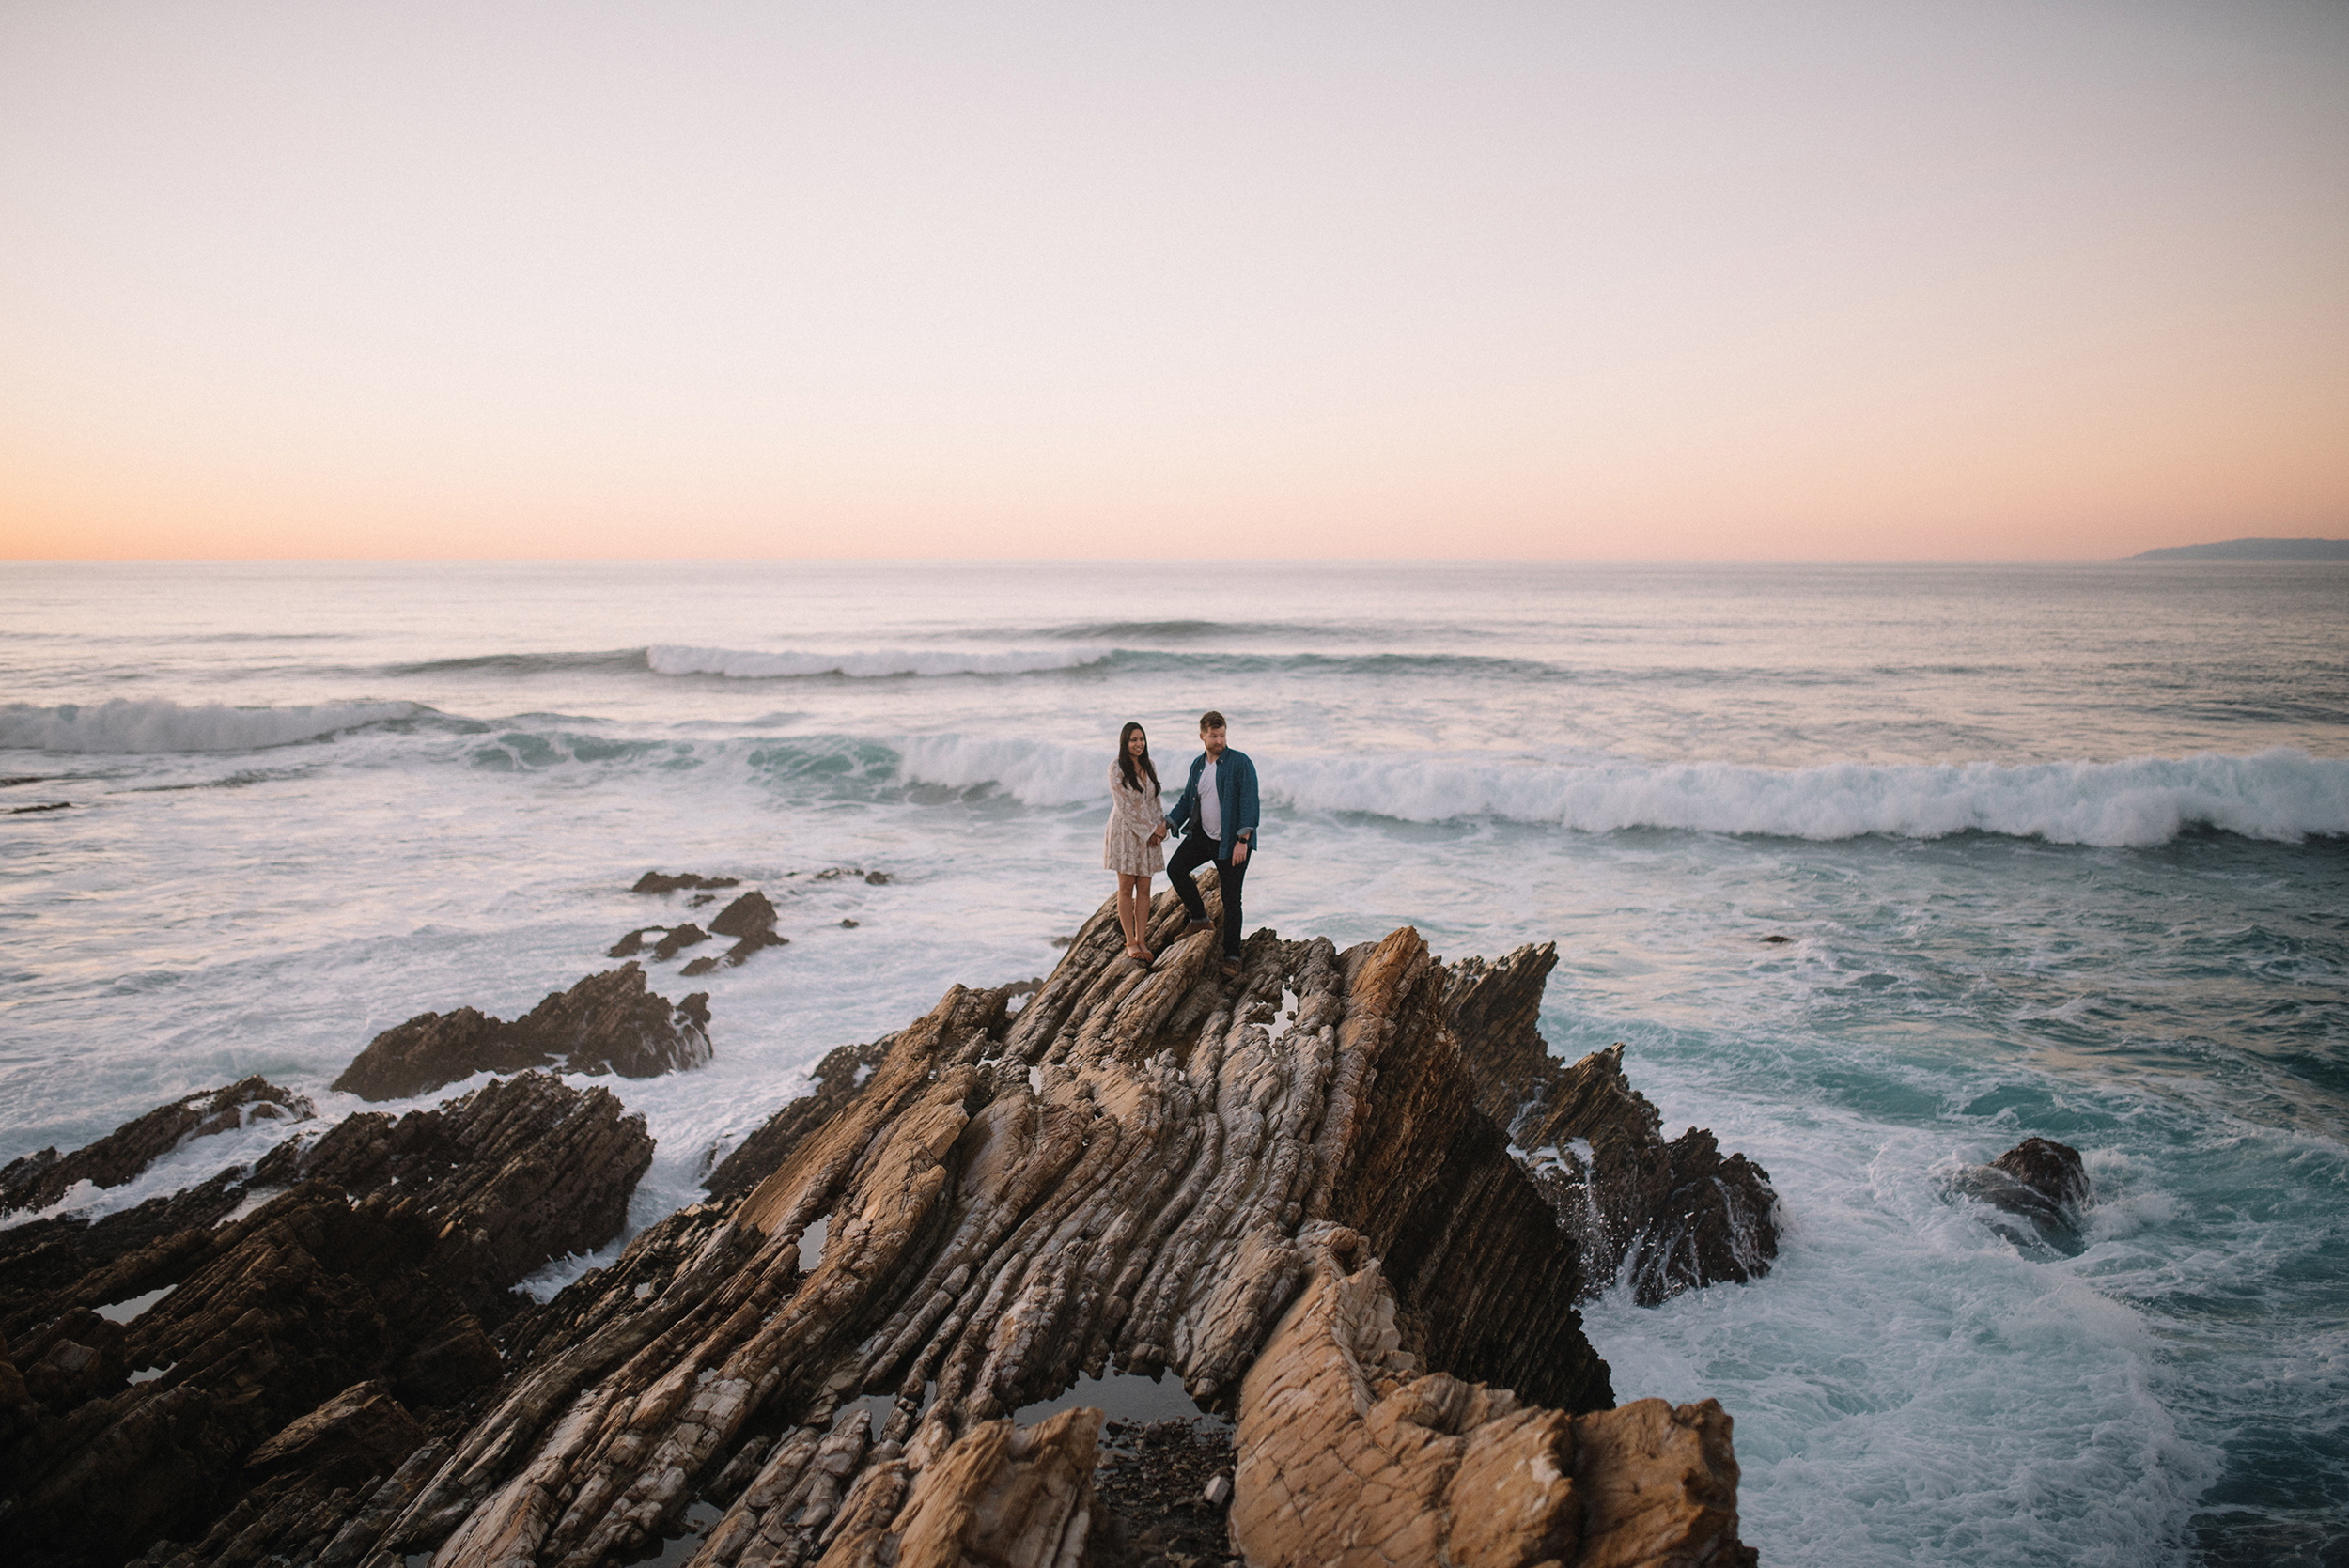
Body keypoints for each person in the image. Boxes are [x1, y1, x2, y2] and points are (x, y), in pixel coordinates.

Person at [1162, 710, 1259, 978]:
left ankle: (1232, 956)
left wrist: (1243, 840)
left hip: (1233, 841)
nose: (1219, 741)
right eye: (1214, 736)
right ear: (1202, 736)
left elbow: (1250, 802)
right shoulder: (1198, 765)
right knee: (1176, 869)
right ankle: (1200, 919)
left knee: (1231, 899)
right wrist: (1169, 822)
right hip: (1205, 836)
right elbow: (1187, 801)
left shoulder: (1240, 763)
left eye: (1223, 735)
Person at [1104, 721, 1169, 964]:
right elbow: (1125, 808)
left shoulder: (1149, 765)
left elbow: (1155, 801)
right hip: (1125, 832)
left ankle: (1142, 939)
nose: (1138, 744)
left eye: (1141, 739)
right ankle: (1130, 942)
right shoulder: (1116, 768)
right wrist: (1151, 830)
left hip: (1149, 833)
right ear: (1125, 742)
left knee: (1144, 888)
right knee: (1126, 886)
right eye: (1133, 740)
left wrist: (1161, 828)